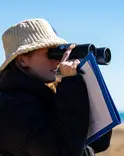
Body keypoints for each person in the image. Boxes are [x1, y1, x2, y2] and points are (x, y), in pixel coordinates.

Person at [0, 18, 112, 156]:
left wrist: (88, 80)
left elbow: (99, 142)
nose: (57, 60)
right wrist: (71, 85)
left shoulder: (44, 97)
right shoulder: (10, 106)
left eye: (59, 53)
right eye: (51, 53)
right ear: (22, 60)